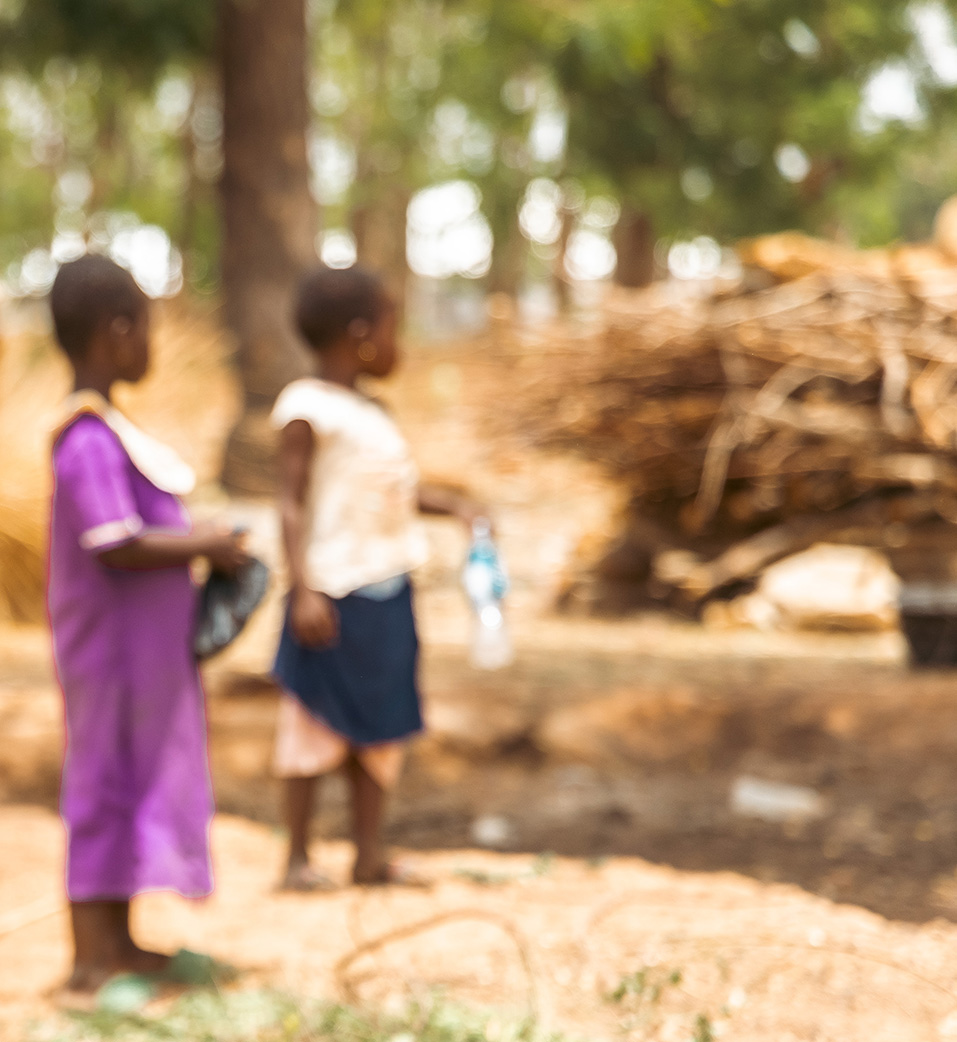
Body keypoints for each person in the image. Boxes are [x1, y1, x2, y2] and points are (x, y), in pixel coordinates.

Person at [47, 254, 249, 993]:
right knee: (101, 783)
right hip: (107, 655)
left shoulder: (113, 430)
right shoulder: (86, 439)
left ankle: (122, 943)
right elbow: (116, 540)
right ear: (116, 330)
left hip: (145, 657)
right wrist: (208, 544)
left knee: (129, 779)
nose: (151, 349)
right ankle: (90, 956)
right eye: (147, 332)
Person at [271, 264, 484, 890]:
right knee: (312, 723)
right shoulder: (305, 408)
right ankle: (297, 858)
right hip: (331, 592)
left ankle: (368, 854)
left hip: (388, 586)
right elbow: (290, 501)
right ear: (361, 334)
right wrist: (302, 586)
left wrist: (461, 509)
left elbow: (397, 492)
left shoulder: (373, 412)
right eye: (394, 327)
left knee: (384, 727)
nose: (400, 343)